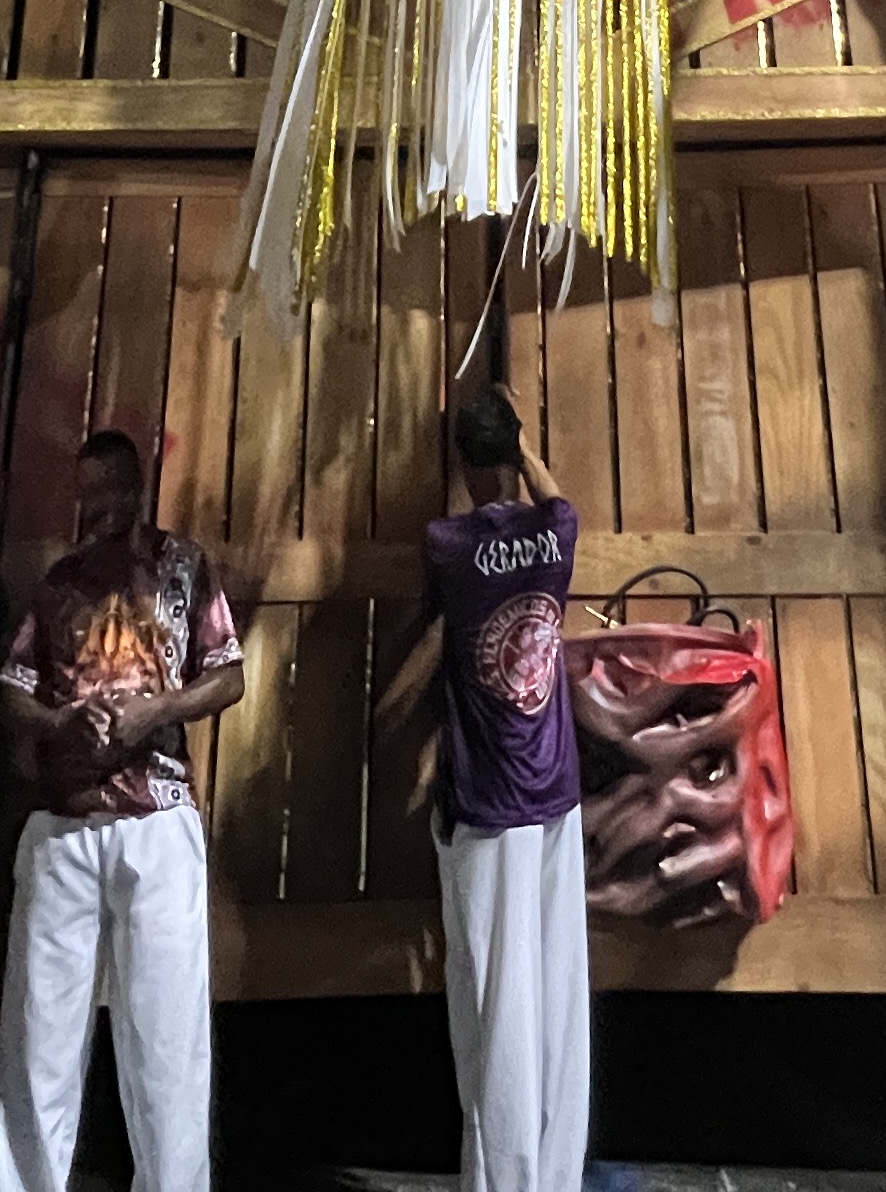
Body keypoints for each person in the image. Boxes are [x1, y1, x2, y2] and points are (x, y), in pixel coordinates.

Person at [0, 428, 247, 1192]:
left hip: (156, 822)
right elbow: (11, 690)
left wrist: (153, 713)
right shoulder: (59, 583)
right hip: (63, 827)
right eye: (88, 491)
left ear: (138, 489)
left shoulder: (183, 569)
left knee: (164, 1040)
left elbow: (230, 677)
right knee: (40, 1037)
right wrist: (58, 722)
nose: (98, 506)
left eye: (112, 490)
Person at [399, 387, 587, 1192]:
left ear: (461, 463)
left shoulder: (446, 543)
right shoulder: (558, 532)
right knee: (557, 1001)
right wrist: (524, 440)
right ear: (514, 455)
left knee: (494, 1008)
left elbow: (446, 589)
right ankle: (552, 1172)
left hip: (487, 801)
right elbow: (555, 497)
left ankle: (503, 1182)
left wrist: (483, 459)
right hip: (556, 795)